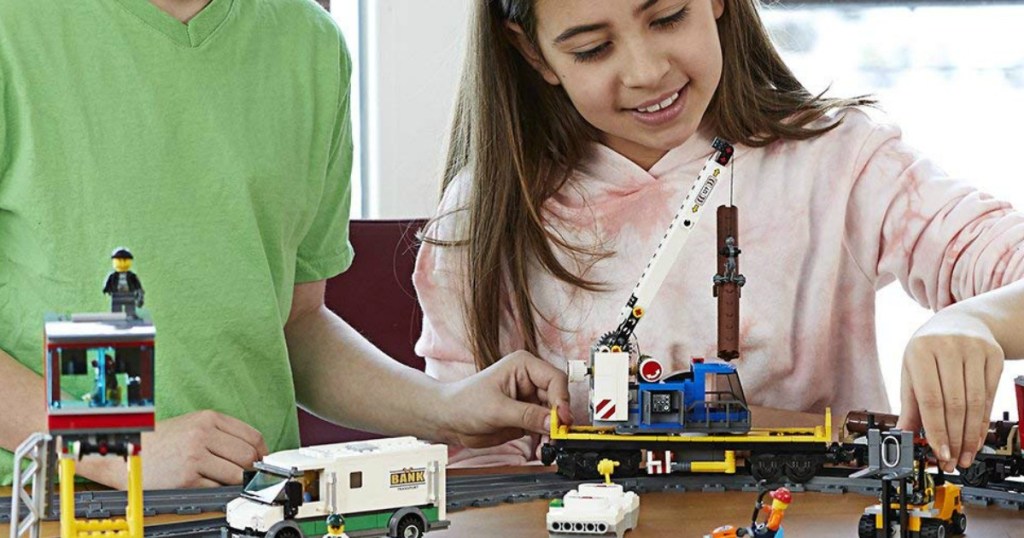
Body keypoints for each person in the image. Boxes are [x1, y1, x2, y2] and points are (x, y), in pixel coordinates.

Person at [413, 0, 1024, 473]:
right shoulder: (481, 221)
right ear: (535, 54)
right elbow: (478, 465)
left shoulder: (841, 161)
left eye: (669, 16)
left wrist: (975, 321)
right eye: (594, 49)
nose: (647, 72)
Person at [0, 0, 570, 489]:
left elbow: (296, 323)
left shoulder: (311, 45)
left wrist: (445, 407)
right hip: (44, 504)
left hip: (255, 497)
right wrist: (119, 449)